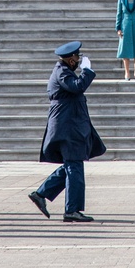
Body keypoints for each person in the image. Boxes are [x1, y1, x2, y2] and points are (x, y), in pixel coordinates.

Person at [28, 41, 105, 223]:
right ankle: (72, 210)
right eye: (77, 57)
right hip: (67, 128)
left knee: (73, 166)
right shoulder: (62, 72)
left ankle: (42, 194)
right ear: (71, 59)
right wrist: (87, 71)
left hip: (70, 126)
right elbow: (78, 86)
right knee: (75, 167)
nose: (79, 60)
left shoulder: (65, 71)